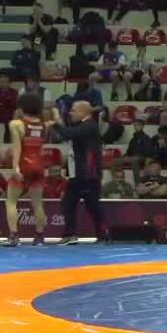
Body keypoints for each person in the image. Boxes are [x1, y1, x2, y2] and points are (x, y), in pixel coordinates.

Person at [47, 100, 105, 245]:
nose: (71, 113)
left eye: (73, 110)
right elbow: (68, 131)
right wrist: (56, 117)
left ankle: (100, 233)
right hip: (81, 174)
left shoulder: (90, 125)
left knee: (90, 205)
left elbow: (69, 134)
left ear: (82, 112)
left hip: (87, 174)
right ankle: (77, 234)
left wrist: (54, 124)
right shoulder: (83, 124)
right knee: (72, 203)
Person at [4, 92, 49, 246]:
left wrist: (15, 168)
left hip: (24, 165)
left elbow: (17, 148)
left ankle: (14, 236)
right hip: (39, 166)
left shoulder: (16, 124)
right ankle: (39, 237)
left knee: (11, 201)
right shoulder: (45, 125)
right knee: (37, 203)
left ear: (21, 107)